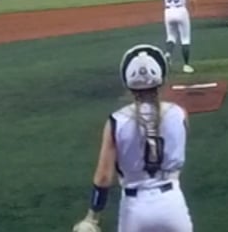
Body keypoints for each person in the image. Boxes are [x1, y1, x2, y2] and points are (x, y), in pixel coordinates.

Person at [74, 45, 191, 232]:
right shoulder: (179, 113)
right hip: (172, 203)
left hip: (134, 209)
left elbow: (103, 177)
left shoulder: (116, 121)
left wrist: (92, 217)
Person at [156, 0, 197, 73]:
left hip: (168, 11)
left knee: (171, 36)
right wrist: (194, 8)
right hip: (181, 10)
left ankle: (168, 54)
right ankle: (186, 65)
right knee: (185, 39)